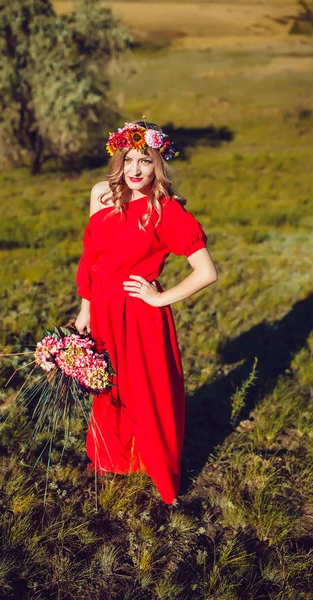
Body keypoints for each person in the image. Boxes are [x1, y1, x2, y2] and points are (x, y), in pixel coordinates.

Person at [74, 119, 218, 504]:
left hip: (138, 315)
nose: (135, 170)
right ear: (117, 159)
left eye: (146, 161)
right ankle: (114, 456)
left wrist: (160, 298)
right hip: (102, 309)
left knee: (143, 391)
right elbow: (91, 259)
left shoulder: (165, 210)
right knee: (107, 386)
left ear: (159, 164)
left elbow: (206, 272)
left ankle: (154, 464)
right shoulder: (100, 194)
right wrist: (85, 309)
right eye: (128, 160)